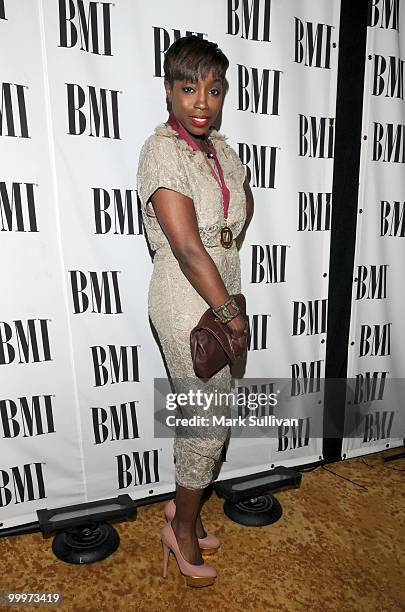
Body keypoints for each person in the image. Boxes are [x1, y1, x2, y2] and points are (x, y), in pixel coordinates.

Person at [136, 36, 254, 587]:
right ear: (168, 92)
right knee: (207, 423)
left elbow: (236, 210)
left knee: (210, 416)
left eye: (213, 89)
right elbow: (186, 248)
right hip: (188, 299)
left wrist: (229, 293)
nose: (201, 102)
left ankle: (186, 509)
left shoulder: (221, 150)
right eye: (188, 88)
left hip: (219, 289)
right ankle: (180, 530)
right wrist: (230, 312)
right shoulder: (161, 151)